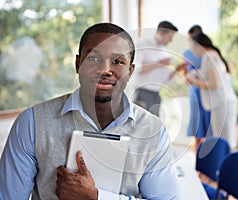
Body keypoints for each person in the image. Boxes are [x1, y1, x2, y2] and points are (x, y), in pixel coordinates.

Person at [0, 23, 180, 200]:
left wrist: (96, 197)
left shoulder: (153, 131)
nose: (104, 70)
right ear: (78, 63)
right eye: (93, 58)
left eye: (118, 62)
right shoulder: (32, 123)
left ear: (130, 71)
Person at [186, 31, 238, 149]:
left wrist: (195, 83)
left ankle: (223, 166)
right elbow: (212, 76)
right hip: (224, 102)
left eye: (192, 47)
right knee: (226, 140)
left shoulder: (208, 56)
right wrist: (196, 75)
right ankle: (224, 166)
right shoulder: (212, 55)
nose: (192, 51)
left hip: (221, 103)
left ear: (199, 45)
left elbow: (215, 84)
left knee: (222, 141)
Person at [133, 21, 178, 116]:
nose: (171, 41)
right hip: (143, 92)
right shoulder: (143, 46)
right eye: (170, 37)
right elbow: (137, 69)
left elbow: (165, 79)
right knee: (140, 125)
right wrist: (159, 64)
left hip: (156, 95)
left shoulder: (164, 52)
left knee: (154, 127)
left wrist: (177, 70)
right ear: (161, 33)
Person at [178, 25, 212, 152]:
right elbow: (184, 73)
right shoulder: (187, 53)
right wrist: (188, 78)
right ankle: (197, 152)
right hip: (194, 90)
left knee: (208, 120)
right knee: (197, 119)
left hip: (207, 90)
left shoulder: (206, 53)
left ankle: (208, 151)